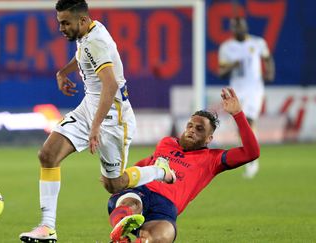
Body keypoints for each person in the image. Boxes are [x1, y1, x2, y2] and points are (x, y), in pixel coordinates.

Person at [19, 0, 176, 242]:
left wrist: (96, 127)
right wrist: (63, 72)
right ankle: (47, 227)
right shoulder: (89, 31)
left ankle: (159, 170)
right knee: (47, 155)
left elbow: (110, 84)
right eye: (59, 22)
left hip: (112, 117)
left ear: (81, 20)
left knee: (115, 185)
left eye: (65, 23)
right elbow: (83, 56)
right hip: (89, 108)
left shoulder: (96, 41)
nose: (61, 28)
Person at [107, 88, 260, 243]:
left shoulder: (213, 159)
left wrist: (238, 114)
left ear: (209, 139)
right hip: (142, 193)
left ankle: (123, 240)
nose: (192, 131)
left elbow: (251, 153)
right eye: (190, 126)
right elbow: (144, 165)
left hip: (165, 209)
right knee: (132, 204)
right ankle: (120, 234)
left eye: (199, 129)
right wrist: (122, 178)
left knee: (161, 236)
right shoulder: (167, 143)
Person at [218, 17, 275, 179]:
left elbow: (267, 58)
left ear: (245, 26)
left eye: (242, 26)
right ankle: (248, 155)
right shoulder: (227, 47)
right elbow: (221, 72)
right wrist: (232, 65)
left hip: (255, 89)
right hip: (237, 90)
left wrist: (270, 72)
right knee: (241, 124)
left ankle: (252, 161)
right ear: (232, 29)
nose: (240, 30)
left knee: (249, 120)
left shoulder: (258, 43)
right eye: (236, 27)